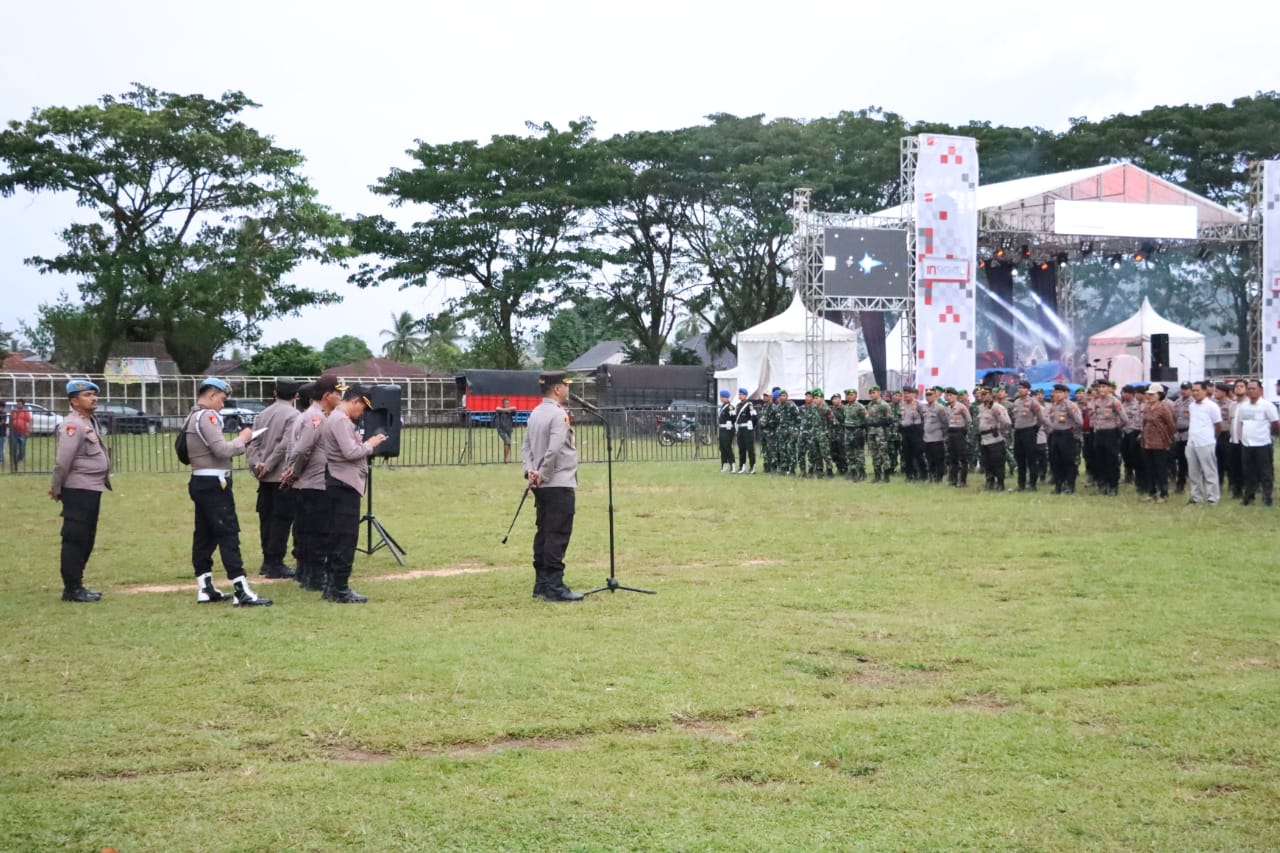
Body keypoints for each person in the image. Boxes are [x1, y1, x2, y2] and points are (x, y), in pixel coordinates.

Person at [183, 377, 272, 606]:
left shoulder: (192, 416)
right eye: (222, 399)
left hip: (201, 480)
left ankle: (205, 585)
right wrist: (244, 439)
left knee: (204, 534)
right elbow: (221, 449)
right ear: (211, 395)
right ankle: (240, 588)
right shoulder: (208, 416)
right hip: (214, 482)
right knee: (227, 533)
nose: (223, 405)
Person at [320, 384, 387, 603]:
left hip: (339, 482)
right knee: (345, 538)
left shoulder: (336, 418)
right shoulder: (340, 420)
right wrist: (370, 444)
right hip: (343, 484)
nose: (362, 414)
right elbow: (350, 452)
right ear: (356, 401)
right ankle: (340, 589)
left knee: (336, 536)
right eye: (362, 408)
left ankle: (332, 587)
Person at [522, 370, 583, 602]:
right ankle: (554, 586)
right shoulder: (559, 416)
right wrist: (544, 474)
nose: (568, 390)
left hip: (540, 484)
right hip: (557, 483)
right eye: (566, 385)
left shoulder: (536, 412)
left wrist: (530, 472)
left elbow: (526, 446)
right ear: (558, 389)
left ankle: (541, 583)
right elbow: (555, 449)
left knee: (544, 532)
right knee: (557, 534)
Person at [49, 379, 110, 602]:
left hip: (91, 489)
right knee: (75, 538)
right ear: (74, 401)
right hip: (78, 489)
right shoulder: (72, 425)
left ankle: (78, 584)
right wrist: (56, 487)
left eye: (94, 394)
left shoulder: (88, 421)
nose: (93, 398)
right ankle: (72, 588)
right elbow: (63, 461)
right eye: (87, 395)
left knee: (87, 538)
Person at [283, 378, 342, 592]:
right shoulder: (316, 417)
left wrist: (291, 471)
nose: (340, 397)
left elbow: (294, 448)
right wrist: (294, 471)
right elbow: (302, 449)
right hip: (314, 483)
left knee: (305, 530)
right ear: (327, 395)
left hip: (305, 484)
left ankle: (305, 573)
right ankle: (316, 577)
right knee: (317, 532)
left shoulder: (305, 415)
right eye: (338, 393)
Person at [247, 379, 301, 579]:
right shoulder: (294, 415)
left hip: (264, 476)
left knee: (266, 518)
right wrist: (269, 464)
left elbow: (252, 442)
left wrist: (257, 465)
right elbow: (286, 444)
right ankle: (275, 562)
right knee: (282, 520)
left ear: (274, 393)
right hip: (280, 475)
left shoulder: (262, 414)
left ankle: (267, 560)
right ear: (296, 396)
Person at [1232, 379, 1279, 506]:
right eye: (1249, 388)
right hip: (1247, 445)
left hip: (1263, 444)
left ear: (1260, 390)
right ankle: (1249, 496)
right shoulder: (1243, 406)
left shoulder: (1267, 405)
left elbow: (1275, 424)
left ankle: (1267, 497)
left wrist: (1268, 435)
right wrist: (1242, 438)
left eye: (1254, 388)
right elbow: (1241, 423)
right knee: (1248, 472)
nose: (1251, 391)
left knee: (1265, 472)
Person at [1185, 381, 1222, 506]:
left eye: (1197, 390)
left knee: (1209, 471)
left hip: (1206, 442)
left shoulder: (1211, 406)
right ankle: (1196, 497)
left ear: (1205, 391)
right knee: (1193, 472)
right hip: (1192, 442)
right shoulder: (1192, 406)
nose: (1195, 393)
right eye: (1193, 390)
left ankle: (1213, 497)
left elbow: (1218, 425)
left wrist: (1212, 438)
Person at [1139, 384, 1175, 503]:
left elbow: (1171, 425)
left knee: (1160, 469)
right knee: (1149, 468)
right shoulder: (1147, 407)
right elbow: (1144, 424)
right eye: (1148, 394)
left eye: (1152, 394)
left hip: (1160, 443)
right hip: (1147, 442)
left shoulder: (1164, 408)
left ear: (1159, 395)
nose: (1149, 396)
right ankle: (1151, 492)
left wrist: (1167, 438)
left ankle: (1163, 493)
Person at [1047, 384, 1083, 494]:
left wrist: (1073, 434)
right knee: (1056, 461)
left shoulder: (1070, 405)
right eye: (1055, 392)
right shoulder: (1054, 406)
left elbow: (1079, 421)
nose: (1057, 395)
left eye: (1059, 392)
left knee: (1068, 461)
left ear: (1065, 394)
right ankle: (1059, 485)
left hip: (1067, 435)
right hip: (1055, 435)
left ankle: (1070, 485)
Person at [977, 387, 1012, 491]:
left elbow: (1007, 422)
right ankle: (989, 481)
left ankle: (1000, 483)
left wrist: (999, 430)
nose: (983, 396)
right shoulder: (981, 407)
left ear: (991, 394)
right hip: (984, 439)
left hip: (995, 438)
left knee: (997, 462)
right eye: (981, 394)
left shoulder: (997, 407)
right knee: (987, 462)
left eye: (985, 394)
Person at [1010, 381, 1042, 491]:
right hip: (1018, 432)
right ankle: (1021, 484)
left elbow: (1040, 417)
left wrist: (1035, 428)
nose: (1020, 390)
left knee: (1031, 459)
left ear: (1028, 389)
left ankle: (1032, 484)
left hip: (1029, 432)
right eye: (1019, 388)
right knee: (1020, 459)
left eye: (1023, 388)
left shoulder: (1033, 402)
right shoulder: (1016, 402)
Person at [945, 388, 971, 487]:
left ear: (956, 396)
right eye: (948, 395)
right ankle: (953, 479)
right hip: (951, 432)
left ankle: (963, 480)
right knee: (952, 457)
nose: (949, 397)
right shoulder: (947, 408)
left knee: (962, 457)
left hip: (960, 432)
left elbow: (969, 420)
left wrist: (965, 433)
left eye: (951, 395)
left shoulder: (961, 407)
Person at [922, 387, 948, 484]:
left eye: (930, 395)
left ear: (935, 396)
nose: (928, 397)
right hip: (927, 438)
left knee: (938, 459)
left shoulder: (940, 408)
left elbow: (945, 423)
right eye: (927, 395)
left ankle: (939, 478)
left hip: (937, 438)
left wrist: (943, 435)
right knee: (929, 458)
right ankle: (931, 476)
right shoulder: (924, 407)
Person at [733, 388, 756, 474]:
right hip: (740, 429)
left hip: (747, 429)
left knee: (750, 449)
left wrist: (752, 424)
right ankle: (742, 466)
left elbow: (754, 416)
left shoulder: (749, 404)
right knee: (741, 449)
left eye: (742, 394)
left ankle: (752, 466)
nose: (740, 396)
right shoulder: (738, 405)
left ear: (745, 395)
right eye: (739, 394)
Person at [9, 398, 32, 473]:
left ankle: (19, 459)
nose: (18, 404)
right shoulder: (13, 411)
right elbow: (10, 420)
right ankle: (14, 461)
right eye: (18, 403)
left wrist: (29, 430)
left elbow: (30, 421)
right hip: (14, 432)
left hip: (22, 432)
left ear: (23, 404)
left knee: (22, 448)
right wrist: (10, 429)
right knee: (13, 447)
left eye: (20, 403)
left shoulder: (25, 412)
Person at [717, 389, 736, 473]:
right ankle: (724, 464)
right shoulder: (723, 406)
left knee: (727, 447)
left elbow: (734, 417)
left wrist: (730, 423)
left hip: (728, 430)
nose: (721, 398)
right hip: (722, 429)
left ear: (726, 397)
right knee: (722, 447)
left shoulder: (730, 407)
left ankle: (733, 465)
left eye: (722, 397)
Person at [494, 397, 517, 464]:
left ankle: (507, 458)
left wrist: (507, 409)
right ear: (503, 404)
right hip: (501, 429)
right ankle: (505, 460)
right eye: (506, 403)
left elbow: (514, 408)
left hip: (509, 428)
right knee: (507, 441)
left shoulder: (510, 410)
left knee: (508, 443)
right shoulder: (499, 409)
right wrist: (506, 410)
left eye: (508, 403)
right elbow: (497, 409)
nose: (508, 404)